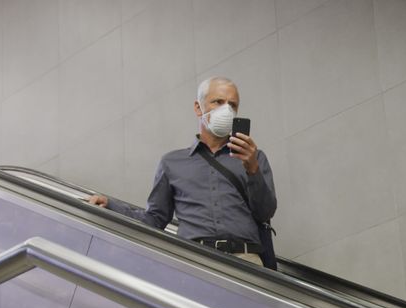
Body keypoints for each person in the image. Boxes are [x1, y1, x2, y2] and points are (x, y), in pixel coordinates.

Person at [88, 76, 276, 267]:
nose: (226, 110)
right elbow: (154, 219)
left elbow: (265, 212)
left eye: (232, 105)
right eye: (218, 102)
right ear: (198, 107)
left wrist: (252, 169)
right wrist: (111, 205)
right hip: (193, 259)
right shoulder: (172, 163)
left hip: (246, 261)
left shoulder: (254, 157)